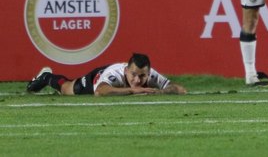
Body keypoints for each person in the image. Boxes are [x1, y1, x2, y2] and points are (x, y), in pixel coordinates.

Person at [26, 53, 187, 96]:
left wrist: (159, 92)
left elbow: (180, 89)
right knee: (67, 89)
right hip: (97, 78)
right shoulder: (114, 74)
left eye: (142, 76)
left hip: (113, 85)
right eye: (133, 75)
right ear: (126, 71)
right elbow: (100, 92)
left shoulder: (151, 75)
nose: (137, 80)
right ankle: (46, 77)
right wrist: (133, 91)